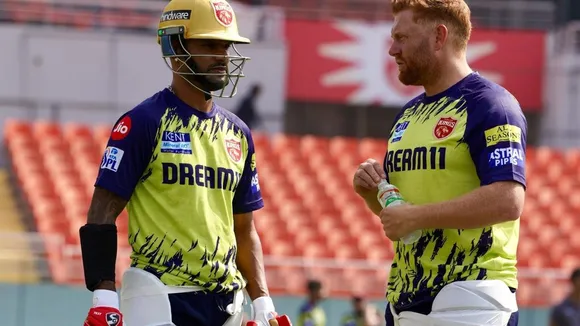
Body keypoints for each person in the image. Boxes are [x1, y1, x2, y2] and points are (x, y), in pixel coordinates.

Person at [79, 0, 283, 325]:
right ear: (175, 46)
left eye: (226, 46)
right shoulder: (144, 122)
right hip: (160, 297)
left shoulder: (239, 133)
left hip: (228, 304)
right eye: (210, 45)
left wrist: (262, 299)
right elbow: (101, 213)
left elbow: (245, 229)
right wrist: (104, 295)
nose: (223, 57)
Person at [353, 1, 526, 325]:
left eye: (401, 38)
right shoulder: (407, 115)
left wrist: (415, 217)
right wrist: (372, 193)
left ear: (438, 36)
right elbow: (404, 215)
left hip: (472, 299)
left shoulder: (491, 105)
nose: (392, 50)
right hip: (404, 298)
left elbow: (508, 199)